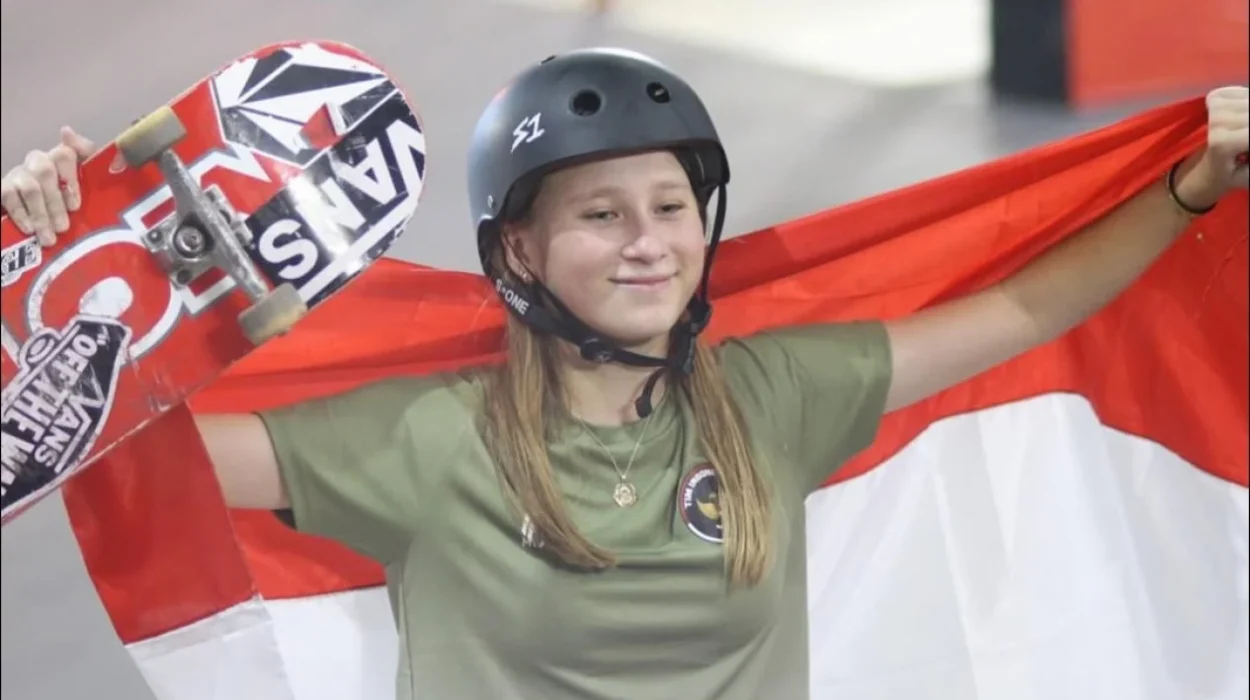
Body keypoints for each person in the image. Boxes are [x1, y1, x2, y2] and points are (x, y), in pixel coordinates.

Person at [2, 48, 1247, 700]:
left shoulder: (771, 398)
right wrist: (53, 270)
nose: (647, 241)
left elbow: (1027, 306)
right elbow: (118, 441)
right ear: (518, 251)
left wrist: (1194, 179)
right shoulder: (428, 440)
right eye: (600, 214)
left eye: (669, 205)